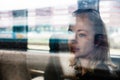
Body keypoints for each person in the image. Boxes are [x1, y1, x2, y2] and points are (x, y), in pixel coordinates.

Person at [68, 9, 119, 80]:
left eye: (82, 34)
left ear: (97, 40)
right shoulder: (82, 71)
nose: (73, 39)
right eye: (71, 32)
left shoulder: (100, 76)